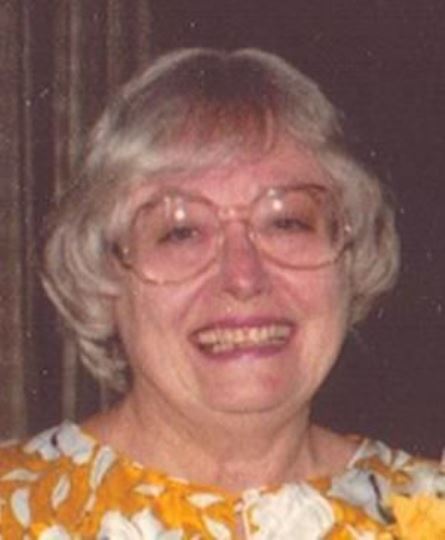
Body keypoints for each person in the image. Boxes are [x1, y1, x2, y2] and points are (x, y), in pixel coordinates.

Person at [0, 48, 444, 539]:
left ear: (352, 255)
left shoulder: (430, 512)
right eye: (181, 232)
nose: (243, 277)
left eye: (286, 222)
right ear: (104, 276)